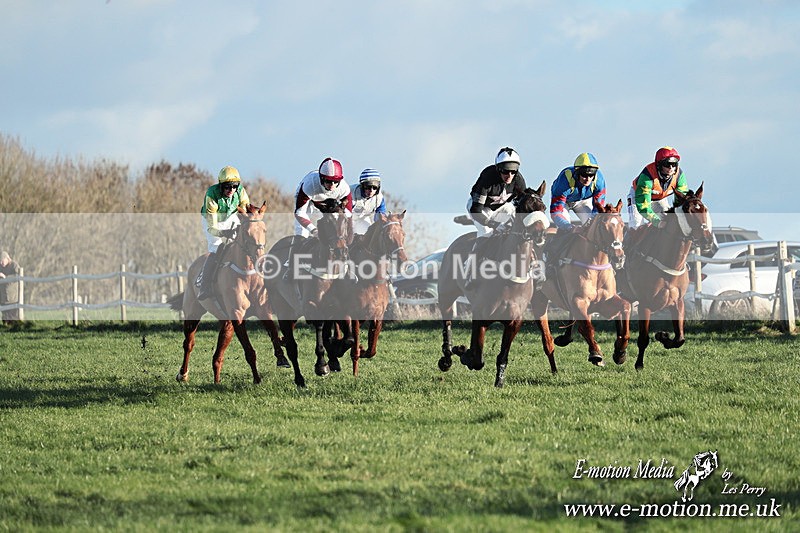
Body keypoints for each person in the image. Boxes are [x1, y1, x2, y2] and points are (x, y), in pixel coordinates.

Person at [197, 165, 251, 299]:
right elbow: (212, 227)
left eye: (234, 186)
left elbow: (245, 210)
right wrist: (223, 233)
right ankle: (204, 285)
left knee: (243, 244)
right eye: (227, 187)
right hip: (212, 221)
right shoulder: (212, 195)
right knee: (217, 248)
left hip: (230, 216)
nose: (231, 190)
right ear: (221, 186)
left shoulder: (240, 191)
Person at [467, 147, 527, 239]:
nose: (509, 175)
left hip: (501, 208)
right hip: (480, 208)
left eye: (513, 171)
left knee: (514, 221)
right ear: (498, 169)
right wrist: (493, 224)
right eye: (505, 171)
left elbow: (523, 206)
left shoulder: (518, 181)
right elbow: (476, 211)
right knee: (487, 233)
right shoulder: (487, 178)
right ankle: (479, 247)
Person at [627, 146, 688, 229]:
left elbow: (681, 201)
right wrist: (656, 222)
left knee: (669, 220)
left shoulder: (679, 176)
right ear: (659, 165)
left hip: (660, 199)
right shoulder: (647, 177)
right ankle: (629, 236)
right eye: (667, 164)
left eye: (674, 164)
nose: (671, 168)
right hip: (639, 198)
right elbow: (643, 206)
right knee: (636, 225)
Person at [293, 157, 353, 238]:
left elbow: (348, 215)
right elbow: (299, 213)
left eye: (336, 181)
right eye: (328, 181)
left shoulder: (344, 188)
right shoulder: (309, 186)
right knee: (302, 232)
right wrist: (313, 230)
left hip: (328, 204)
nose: (332, 185)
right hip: (310, 200)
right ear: (321, 178)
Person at [549, 152, 607, 231]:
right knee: (565, 229)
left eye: (591, 175)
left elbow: (597, 210)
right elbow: (556, 213)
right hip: (564, 202)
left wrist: (591, 223)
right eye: (584, 175)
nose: (588, 179)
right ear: (577, 173)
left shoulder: (599, 181)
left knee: (593, 226)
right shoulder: (564, 181)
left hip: (583, 201)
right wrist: (570, 228)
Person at [350, 168, 387, 235]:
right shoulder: (351, 193)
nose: (371, 190)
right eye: (368, 187)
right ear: (362, 186)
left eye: (374, 187)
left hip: (363, 219)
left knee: (369, 235)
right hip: (347, 219)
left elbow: (379, 219)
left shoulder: (379, 199)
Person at [0, 251, 21, 323]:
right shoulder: (0, 267)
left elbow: (17, 276)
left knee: (13, 318)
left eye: (2, 261)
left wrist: (5, 277)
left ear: (7, 258)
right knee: (5, 318)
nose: (1, 263)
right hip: (3, 297)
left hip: (12, 298)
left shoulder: (14, 266)